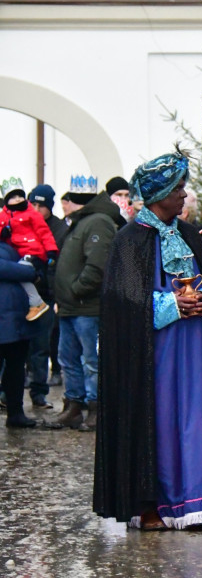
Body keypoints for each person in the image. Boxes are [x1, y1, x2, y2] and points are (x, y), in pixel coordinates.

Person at [93, 150, 202, 530]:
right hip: (153, 352)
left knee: (197, 417)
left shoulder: (189, 234)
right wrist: (172, 303)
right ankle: (152, 505)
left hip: (194, 349)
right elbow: (122, 302)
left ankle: (201, 502)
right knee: (158, 420)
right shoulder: (130, 240)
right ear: (157, 194)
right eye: (176, 189)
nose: (182, 196)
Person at [47, 175, 124, 430]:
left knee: (91, 361)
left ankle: (94, 408)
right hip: (71, 306)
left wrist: (76, 289)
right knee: (68, 359)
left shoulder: (98, 222)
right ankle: (74, 406)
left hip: (87, 307)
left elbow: (97, 265)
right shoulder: (80, 223)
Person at [27, 184, 67, 403]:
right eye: (32, 203)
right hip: (25, 292)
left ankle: (39, 391)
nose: (35, 208)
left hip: (47, 295)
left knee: (43, 344)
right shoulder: (24, 225)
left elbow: (60, 266)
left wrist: (57, 295)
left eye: (40, 205)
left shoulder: (59, 229)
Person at [1, 177, 57, 322]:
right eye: (13, 197)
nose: (18, 199)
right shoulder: (3, 216)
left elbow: (45, 233)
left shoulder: (31, 214)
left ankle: (36, 302)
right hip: (17, 253)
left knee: (21, 271)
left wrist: (51, 251)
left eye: (20, 196)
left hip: (33, 251)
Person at [1, 224, 40, 428]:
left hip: (16, 320)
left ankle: (16, 413)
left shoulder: (10, 246)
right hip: (8, 320)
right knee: (13, 368)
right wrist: (27, 271)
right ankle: (15, 412)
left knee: (16, 369)